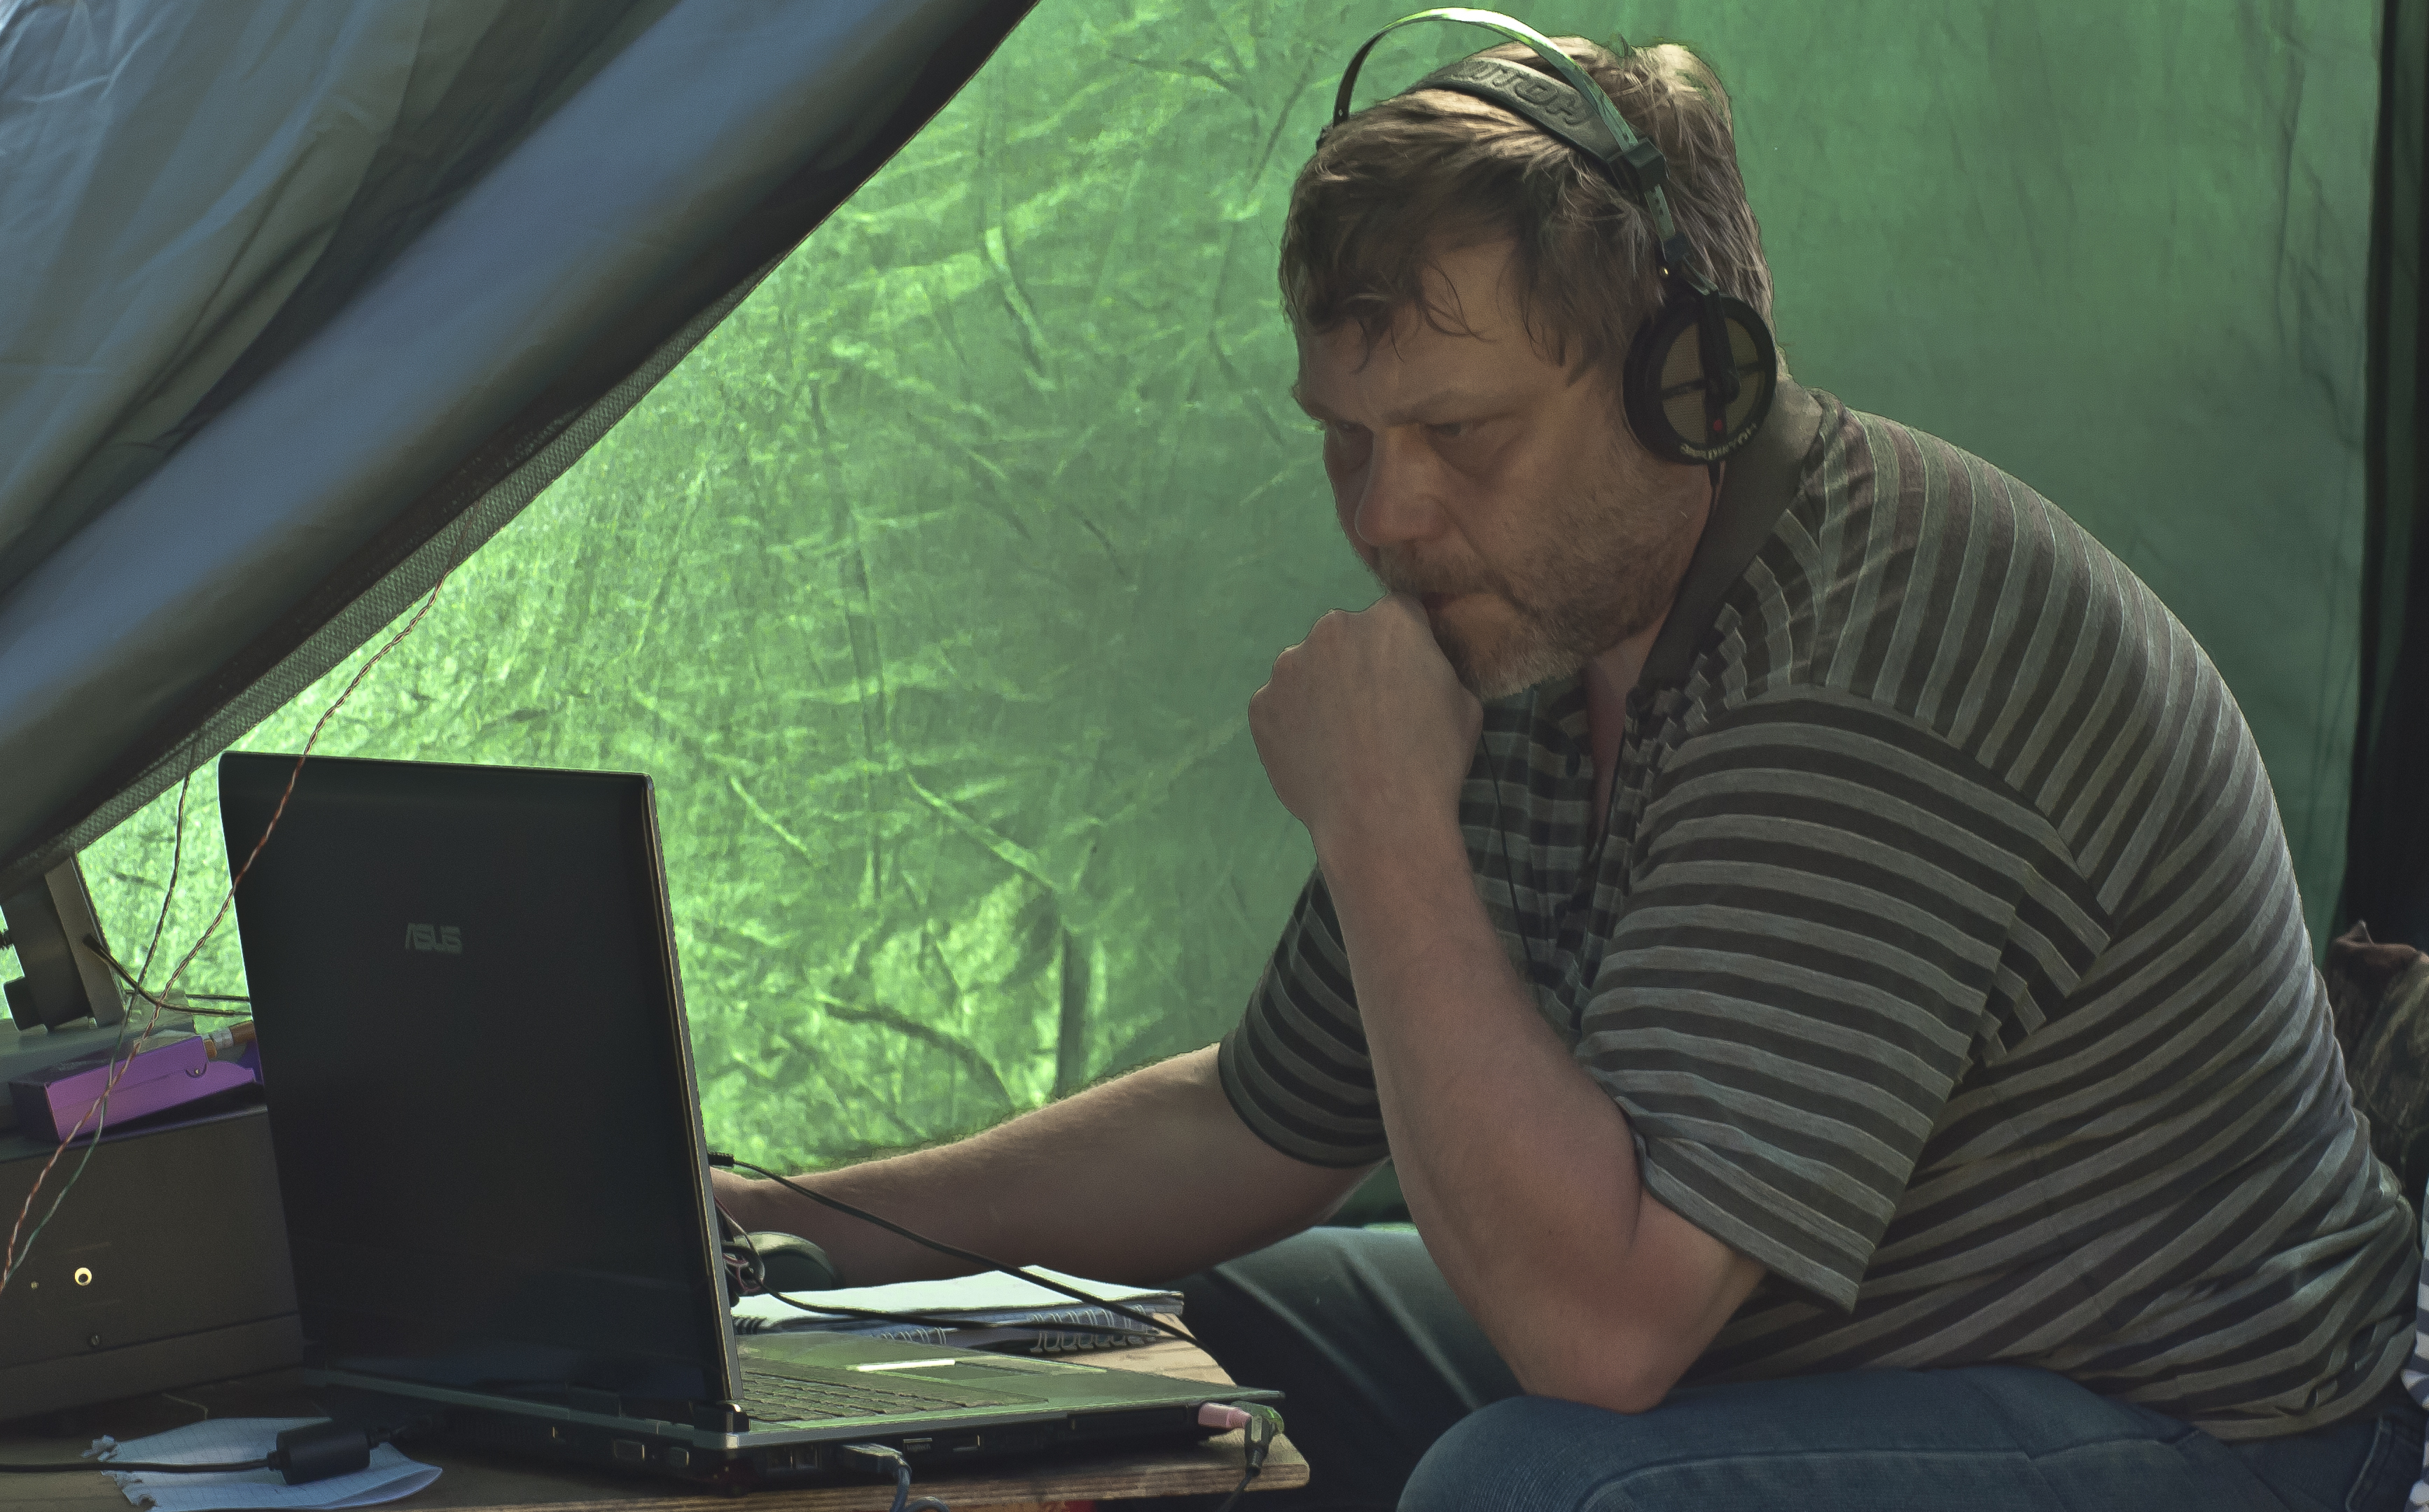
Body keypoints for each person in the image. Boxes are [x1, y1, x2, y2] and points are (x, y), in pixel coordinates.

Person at [715, 29, 2425, 1511]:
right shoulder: (1541, 613)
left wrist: (1385, 823)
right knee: (1167, 1341)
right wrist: (761, 1232)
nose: (1386, 516)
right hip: (1798, 1347)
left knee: (1537, 1487)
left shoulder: (1854, 678)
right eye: (1344, 438)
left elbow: (1603, 1337)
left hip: (2212, 1438)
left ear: (1693, 387)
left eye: (1457, 435)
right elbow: (1258, 1120)